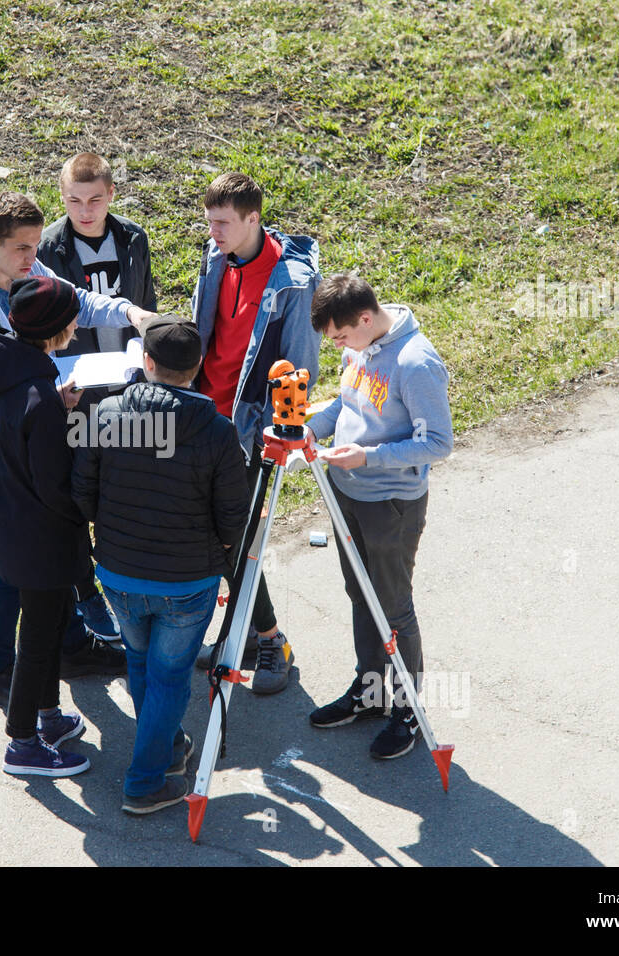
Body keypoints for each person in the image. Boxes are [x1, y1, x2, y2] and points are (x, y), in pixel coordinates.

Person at [0, 192, 158, 707]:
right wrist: (41, 401)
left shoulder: (24, 274)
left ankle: (70, 645)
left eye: (37, 246)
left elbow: (74, 299)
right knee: (13, 563)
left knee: (49, 551)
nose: (32, 259)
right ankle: (0, 668)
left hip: (36, 431)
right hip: (2, 452)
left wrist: (129, 311)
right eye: (21, 249)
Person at [72, 315, 250, 813]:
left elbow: (82, 495)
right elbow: (233, 518)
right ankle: (144, 783)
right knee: (170, 676)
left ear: (146, 363)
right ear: (197, 368)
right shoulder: (218, 432)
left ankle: (168, 747)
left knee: (139, 661)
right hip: (187, 582)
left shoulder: (104, 414)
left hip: (117, 575)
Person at [303, 274, 453, 759]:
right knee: (360, 596)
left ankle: (407, 711)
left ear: (365, 319)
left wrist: (368, 457)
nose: (339, 346)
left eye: (342, 337)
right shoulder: (361, 346)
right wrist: (306, 424)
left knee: (393, 606)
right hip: (347, 492)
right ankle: (370, 695)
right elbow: (348, 405)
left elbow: (438, 443)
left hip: (390, 504)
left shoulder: (416, 363)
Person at [190, 172, 321, 694]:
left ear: (253, 219)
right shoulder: (216, 256)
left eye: (224, 223)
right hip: (206, 416)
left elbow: (299, 364)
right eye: (210, 222)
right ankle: (242, 634)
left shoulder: (292, 281)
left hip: (250, 432)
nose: (214, 233)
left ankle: (270, 640)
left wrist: (279, 436)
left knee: (236, 539)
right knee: (221, 536)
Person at [38, 152, 157, 641]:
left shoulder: (132, 238)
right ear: (61, 198)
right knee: (75, 493)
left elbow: (144, 303)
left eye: (94, 200)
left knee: (125, 487)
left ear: (111, 195)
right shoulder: (48, 247)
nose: (84, 211)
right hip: (78, 389)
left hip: (126, 384)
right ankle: (85, 596)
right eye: (73, 201)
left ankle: (128, 584)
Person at [0, 275, 93, 776]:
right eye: (70, 320)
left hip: (7, 524)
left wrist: (54, 405)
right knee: (39, 642)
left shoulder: (3, 367)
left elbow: (16, 435)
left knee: (41, 632)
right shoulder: (39, 398)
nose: (74, 327)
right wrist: (89, 513)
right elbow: (55, 483)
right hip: (43, 537)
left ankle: (47, 716)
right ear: (54, 330)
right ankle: (22, 741)